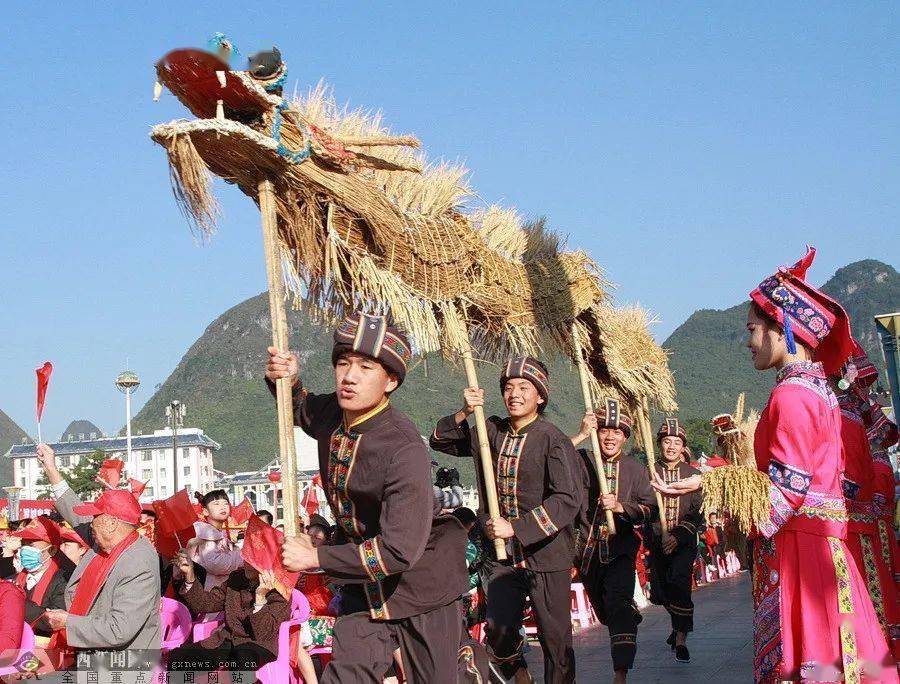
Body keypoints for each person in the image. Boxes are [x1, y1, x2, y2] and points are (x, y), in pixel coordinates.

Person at [653, 247, 896, 682]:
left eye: (752, 329)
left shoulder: (793, 396)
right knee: (841, 663)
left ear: (784, 329)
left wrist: (707, 483)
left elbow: (785, 493)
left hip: (805, 552)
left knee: (812, 662)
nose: (748, 341)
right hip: (823, 545)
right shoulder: (819, 393)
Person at [268, 312, 469, 684]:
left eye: (365, 367)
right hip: (363, 586)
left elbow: (397, 551)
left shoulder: (404, 447)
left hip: (422, 585)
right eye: (343, 363)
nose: (349, 376)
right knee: (345, 677)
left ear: (391, 381)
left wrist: (315, 557)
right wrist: (289, 378)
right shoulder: (335, 412)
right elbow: (299, 408)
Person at [431, 356, 581, 684]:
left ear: (540, 396)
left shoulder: (552, 439)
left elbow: (568, 498)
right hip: (501, 557)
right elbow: (439, 440)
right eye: (508, 387)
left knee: (555, 639)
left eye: (524, 388)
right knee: (498, 630)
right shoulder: (491, 430)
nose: (514, 393)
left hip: (547, 555)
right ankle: (520, 674)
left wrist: (517, 527)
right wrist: (465, 411)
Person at [34, 443, 161, 665]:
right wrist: (51, 469)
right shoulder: (106, 542)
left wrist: (68, 622)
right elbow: (74, 512)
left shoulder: (138, 562)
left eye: (95, 518)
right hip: (88, 653)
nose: (90, 524)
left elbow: (119, 629)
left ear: (112, 523)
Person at [570, 399, 656, 684]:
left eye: (617, 432)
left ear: (625, 437)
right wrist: (582, 433)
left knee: (617, 604)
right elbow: (550, 458)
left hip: (619, 551)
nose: (609, 436)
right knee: (606, 612)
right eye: (604, 430)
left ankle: (620, 672)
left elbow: (650, 508)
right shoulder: (582, 460)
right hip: (586, 553)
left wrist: (621, 507)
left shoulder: (634, 469)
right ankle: (626, 614)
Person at [836, 347, 900, 659]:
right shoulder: (848, 415)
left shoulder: (857, 418)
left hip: (867, 523)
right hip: (863, 522)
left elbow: (887, 434)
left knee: (874, 582)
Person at [167, 551, 290, 673]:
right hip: (227, 640)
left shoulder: (280, 591)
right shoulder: (237, 578)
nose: (246, 563)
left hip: (259, 644)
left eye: (252, 560)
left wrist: (260, 596)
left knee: (241, 660)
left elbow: (262, 633)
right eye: (246, 557)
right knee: (179, 658)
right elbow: (205, 603)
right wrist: (190, 576)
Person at [647, 418, 702, 663]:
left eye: (676, 442)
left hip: (683, 543)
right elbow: (644, 507)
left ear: (683, 447)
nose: (671, 446)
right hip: (657, 541)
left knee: (679, 584)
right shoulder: (649, 471)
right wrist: (659, 534)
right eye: (667, 441)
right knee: (660, 592)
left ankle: (681, 639)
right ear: (660, 444)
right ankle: (675, 623)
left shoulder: (694, 475)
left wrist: (677, 537)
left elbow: (697, 513)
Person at [8, 516, 75, 637]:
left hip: (45, 651)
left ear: (53, 550)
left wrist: (13, 599)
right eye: (24, 544)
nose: (25, 549)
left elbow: (52, 622)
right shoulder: (12, 580)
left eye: (31, 544)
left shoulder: (65, 582)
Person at [188, 490, 243, 589]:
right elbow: (217, 564)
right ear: (205, 511)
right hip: (210, 590)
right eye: (216, 504)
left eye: (226, 503)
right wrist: (243, 557)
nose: (223, 507)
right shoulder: (207, 534)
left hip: (219, 587)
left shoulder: (218, 533)